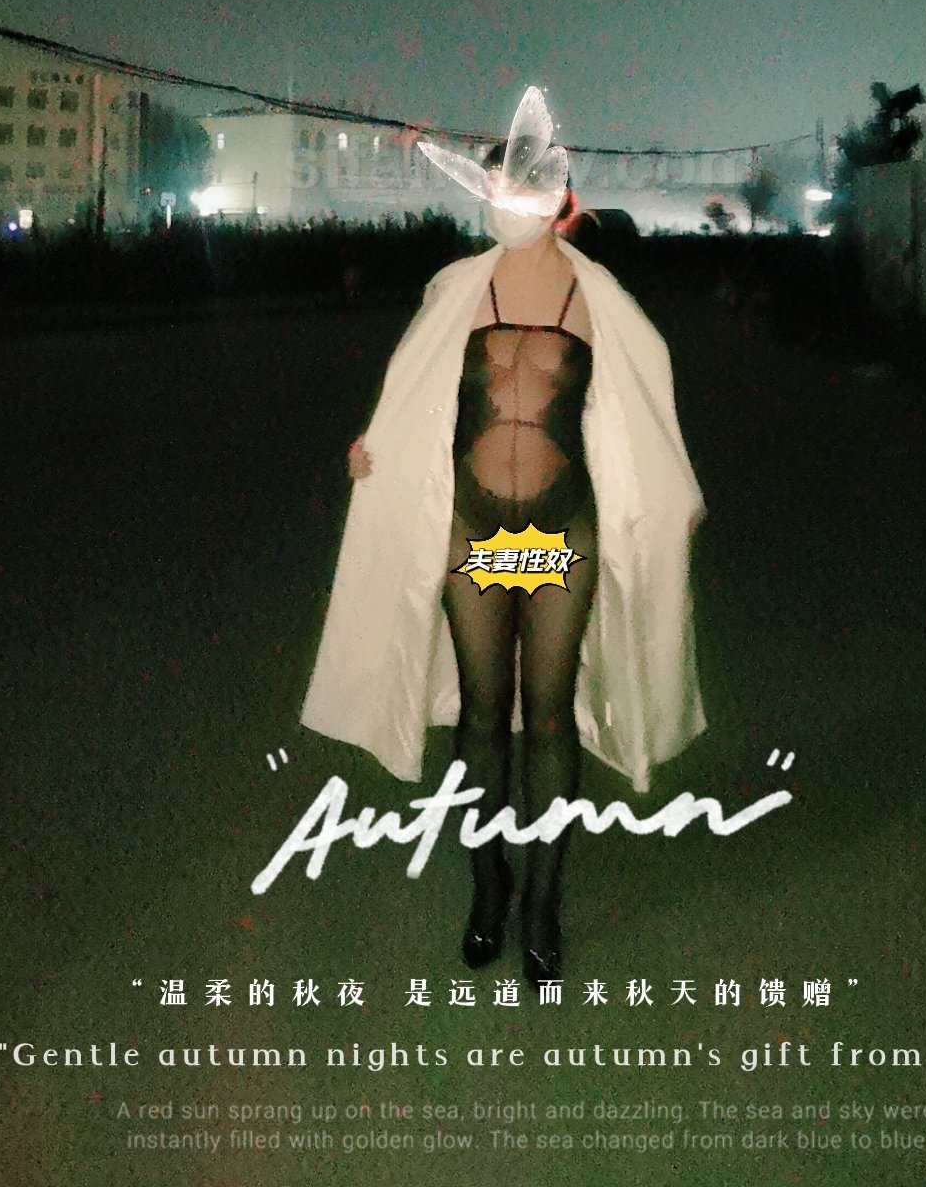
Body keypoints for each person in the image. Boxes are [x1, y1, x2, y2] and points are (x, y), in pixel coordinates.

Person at [300, 89, 705, 988]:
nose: (499, 203)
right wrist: (374, 449)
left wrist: (675, 493)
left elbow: (645, 402)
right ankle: (489, 883)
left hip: (562, 537)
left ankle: (542, 900)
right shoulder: (457, 288)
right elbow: (414, 393)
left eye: (514, 188)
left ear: (552, 195)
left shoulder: (598, 296)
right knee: (484, 718)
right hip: (472, 535)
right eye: (491, 189)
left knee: (549, 716)